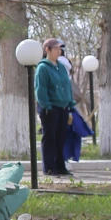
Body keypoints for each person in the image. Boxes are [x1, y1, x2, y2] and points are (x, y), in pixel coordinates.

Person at [35, 38, 75, 177]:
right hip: (50, 108)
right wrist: (46, 106)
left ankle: (60, 165)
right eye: (56, 48)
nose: (59, 51)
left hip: (63, 107)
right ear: (47, 50)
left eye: (60, 49)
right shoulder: (43, 67)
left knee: (60, 138)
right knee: (50, 138)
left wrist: (70, 104)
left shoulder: (61, 67)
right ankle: (49, 167)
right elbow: (41, 89)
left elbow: (67, 86)